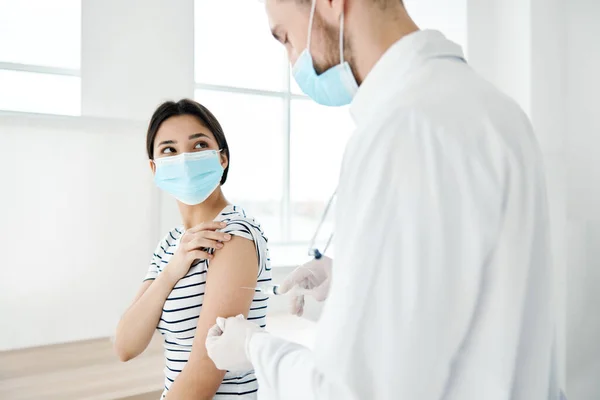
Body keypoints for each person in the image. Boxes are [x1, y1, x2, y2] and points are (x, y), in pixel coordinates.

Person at [206, 0, 561, 399]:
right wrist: (349, 280)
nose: (294, 66)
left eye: (287, 38)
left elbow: (354, 392)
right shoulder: (496, 110)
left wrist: (254, 347)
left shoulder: (403, 129)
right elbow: (473, 299)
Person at [114, 99, 271, 399]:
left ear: (222, 158)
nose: (184, 159)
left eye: (199, 145)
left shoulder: (232, 236)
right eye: (169, 150)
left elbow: (205, 372)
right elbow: (125, 345)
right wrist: (173, 270)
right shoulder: (172, 244)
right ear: (154, 167)